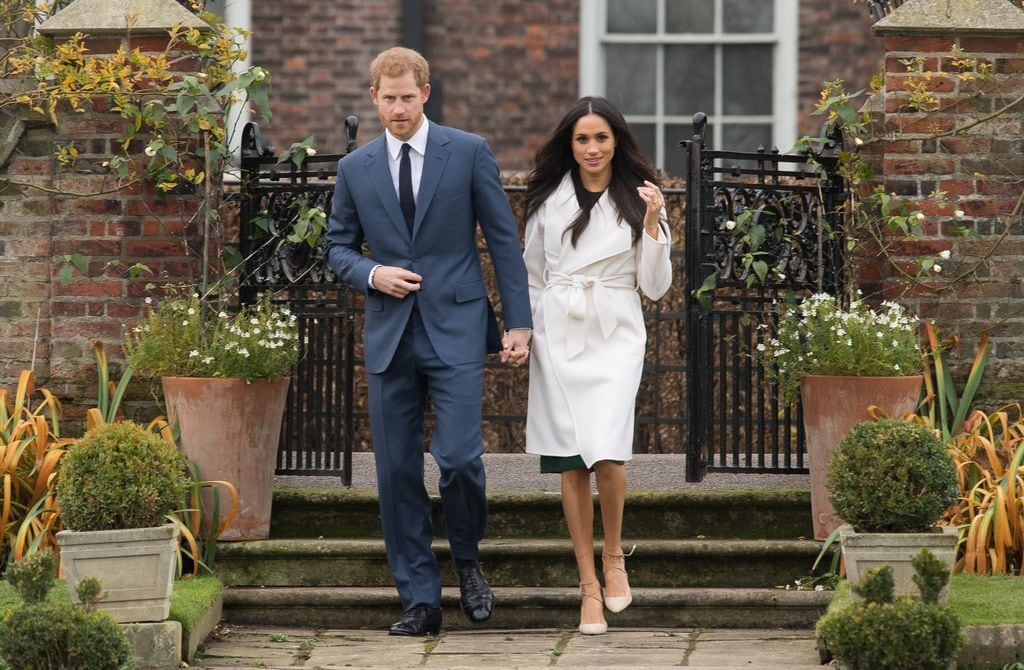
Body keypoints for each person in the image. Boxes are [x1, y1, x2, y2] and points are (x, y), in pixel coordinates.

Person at [325, 46, 533, 637]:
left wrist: (519, 324)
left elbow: (503, 240)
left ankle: (467, 560)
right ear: (374, 98)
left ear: (426, 93)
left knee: (461, 458)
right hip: (390, 334)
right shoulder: (356, 168)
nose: (398, 108)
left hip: (457, 328)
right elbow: (337, 247)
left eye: (407, 97)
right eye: (388, 99)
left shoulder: (467, 152)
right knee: (395, 472)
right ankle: (419, 599)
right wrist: (372, 273)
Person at [522, 96, 672, 635]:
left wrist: (652, 224)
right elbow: (532, 276)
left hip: (615, 334)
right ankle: (588, 586)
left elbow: (655, 287)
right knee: (571, 462)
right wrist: (527, 333)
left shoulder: (641, 198)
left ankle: (614, 557)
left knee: (608, 452)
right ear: (570, 144)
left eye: (601, 138)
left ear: (616, 141)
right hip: (559, 334)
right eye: (582, 138)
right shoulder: (547, 202)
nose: (592, 148)